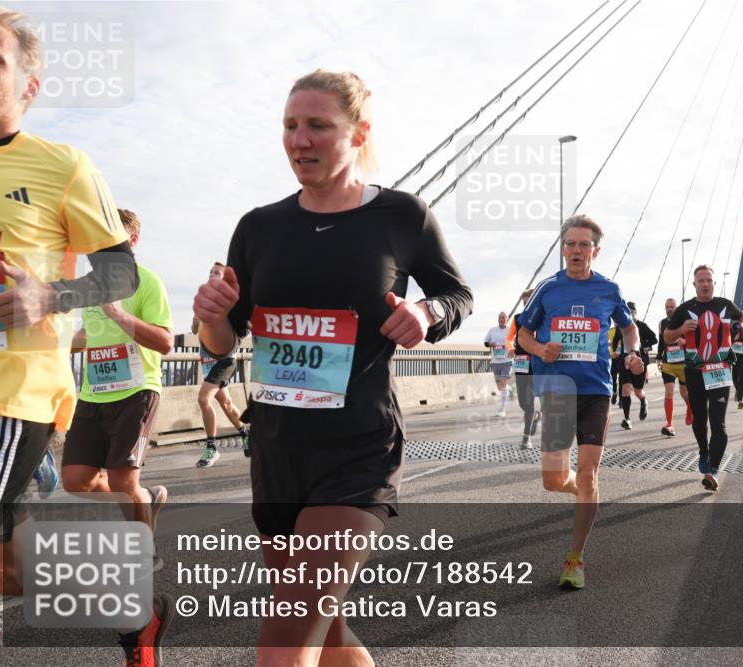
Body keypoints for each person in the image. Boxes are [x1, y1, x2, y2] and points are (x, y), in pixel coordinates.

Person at [192, 68, 472, 665]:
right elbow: (223, 341)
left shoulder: (402, 215)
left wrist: (426, 312)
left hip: (358, 450)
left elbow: (457, 295)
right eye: (290, 125)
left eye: (318, 125)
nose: (300, 140)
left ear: (359, 132)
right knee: (330, 635)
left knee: (284, 648)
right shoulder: (258, 227)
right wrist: (211, 316)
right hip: (276, 449)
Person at [0, 10, 170, 664]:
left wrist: (48, 296)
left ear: (28, 87)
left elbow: (119, 272)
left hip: (12, 394)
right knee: (3, 573)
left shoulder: (62, 165)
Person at [518, 214, 642, 589]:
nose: (576, 250)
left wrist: (632, 352)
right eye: (570, 244)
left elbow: (629, 327)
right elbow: (523, 335)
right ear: (563, 249)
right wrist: (540, 348)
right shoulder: (548, 289)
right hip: (557, 390)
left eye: (583, 244)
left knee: (589, 472)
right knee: (554, 481)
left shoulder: (609, 289)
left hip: (595, 391)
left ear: (595, 251)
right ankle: (578, 489)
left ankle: (575, 559)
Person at [61, 209, 172, 567]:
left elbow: (166, 342)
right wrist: (58, 342)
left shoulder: (147, 282)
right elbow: (88, 335)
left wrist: (120, 315)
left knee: (124, 481)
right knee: (75, 480)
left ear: (132, 242)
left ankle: (144, 549)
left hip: (137, 392)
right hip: (94, 393)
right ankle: (143, 499)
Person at [665, 266, 743, 492]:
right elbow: (667, 337)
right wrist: (681, 328)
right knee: (700, 420)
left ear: (714, 283)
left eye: (709, 280)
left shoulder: (725, 304)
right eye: (701, 280)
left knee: (718, 422)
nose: (705, 284)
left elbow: (742, 316)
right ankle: (703, 451)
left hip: (719, 370)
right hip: (695, 372)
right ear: (694, 285)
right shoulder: (685, 309)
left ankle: (713, 471)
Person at [192, 262, 249, 467]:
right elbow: (194, 329)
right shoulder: (205, 300)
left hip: (225, 360)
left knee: (203, 398)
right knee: (226, 404)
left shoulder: (229, 303)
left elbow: (242, 330)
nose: (212, 275)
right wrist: (199, 317)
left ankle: (211, 448)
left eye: (217, 272)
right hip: (208, 361)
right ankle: (246, 434)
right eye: (210, 272)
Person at [611, 301, 657, 430]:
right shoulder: (621, 326)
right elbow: (615, 341)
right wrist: (615, 351)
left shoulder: (642, 326)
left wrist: (642, 344)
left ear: (635, 313)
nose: (629, 315)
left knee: (638, 391)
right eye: (627, 312)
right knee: (625, 388)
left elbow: (654, 339)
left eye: (631, 312)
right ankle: (627, 418)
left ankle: (643, 400)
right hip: (624, 361)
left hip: (639, 361)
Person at [507, 292, 541, 449]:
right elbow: (509, 338)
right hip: (521, 361)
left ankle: (526, 439)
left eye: (529, 302)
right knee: (522, 402)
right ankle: (534, 416)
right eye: (524, 303)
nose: (526, 305)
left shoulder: (542, 316)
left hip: (536, 361)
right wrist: (510, 348)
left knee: (530, 401)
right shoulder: (517, 318)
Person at [657, 298, 692, 436]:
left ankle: (691, 409)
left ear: (676, 308)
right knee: (669, 390)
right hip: (668, 363)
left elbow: (694, 340)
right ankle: (669, 424)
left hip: (683, 363)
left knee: (684, 393)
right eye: (667, 307)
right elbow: (661, 343)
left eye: (672, 306)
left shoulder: (684, 321)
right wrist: (659, 358)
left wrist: (685, 341)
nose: (669, 309)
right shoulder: (662, 323)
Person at [484, 312, 514, 417]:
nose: (501, 319)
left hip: (507, 360)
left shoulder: (510, 330)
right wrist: (490, 344)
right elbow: (485, 342)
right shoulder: (492, 330)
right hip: (495, 361)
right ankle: (509, 389)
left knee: (503, 382)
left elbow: (516, 342)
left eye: (503, 318)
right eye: (500, 317)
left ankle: (502, 409)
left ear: (507, 319)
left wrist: (512, 349)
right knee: (499, 387)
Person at [608, 324, 621, 404]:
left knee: (622, 379)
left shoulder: (623, 329)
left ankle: (621, 399)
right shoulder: (610, 331)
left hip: (621, 357)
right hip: (612, 357)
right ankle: (614, 393)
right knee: (613, 377)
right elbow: (607, 342)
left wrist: (618, 352)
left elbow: (622, 342)